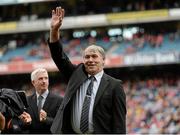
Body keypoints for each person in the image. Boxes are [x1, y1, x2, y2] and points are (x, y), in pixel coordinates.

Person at [48, 7, 127, 134]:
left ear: (103, 60)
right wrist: (54, 30)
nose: (90, 60)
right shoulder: (75, 74)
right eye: (87, 57)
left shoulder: (114, 85)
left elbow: (119, 124)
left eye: (94, 56)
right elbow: (58, 56)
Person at [20, 68, 63, 134]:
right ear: (33, 82)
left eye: (46, 78)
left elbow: (61, 123)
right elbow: (22, 126)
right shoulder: (27, 100)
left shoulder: (59, 100)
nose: (44, 81)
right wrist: (27, 123)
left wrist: (46, 119)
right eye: (40, 79)